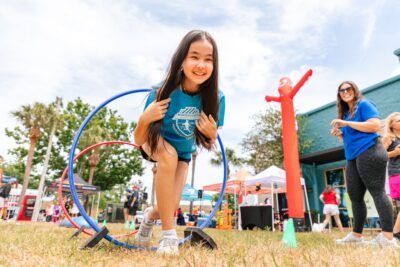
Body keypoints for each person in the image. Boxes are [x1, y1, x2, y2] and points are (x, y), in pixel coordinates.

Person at [134, 30, 225, 255]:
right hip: (155, 143)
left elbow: (208, 141)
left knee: (171, 206)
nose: (201, 65)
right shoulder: (161, 91)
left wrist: (212, 134)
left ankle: (148, 219)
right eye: (194, 57)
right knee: (168, 155)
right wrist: (145, 117)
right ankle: (168, 237)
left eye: (208, 59)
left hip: (184, 152)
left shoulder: (216, 98)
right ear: (182, 59)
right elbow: (138, 139)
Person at [331, 81, 398, 247]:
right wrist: (340, 134)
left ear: (355, 90)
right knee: (355, 196)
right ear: (339, 95)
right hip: (353, 157)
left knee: (377, 192)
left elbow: (375, 125)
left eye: (349, 88)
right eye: (342, 90)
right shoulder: (345, 114)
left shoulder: (364, 104)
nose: (346, 92)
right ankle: (356, 235)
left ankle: (388, 238)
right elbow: (351, 139)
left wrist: (346, 124)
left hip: (370, 151)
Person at [382, 112, 400, 240]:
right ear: (391, 124)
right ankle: (395, 233)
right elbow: (380, 157)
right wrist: (395, 152)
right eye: (398, 121)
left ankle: (395, 233)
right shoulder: (388, 138)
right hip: (396, 173)